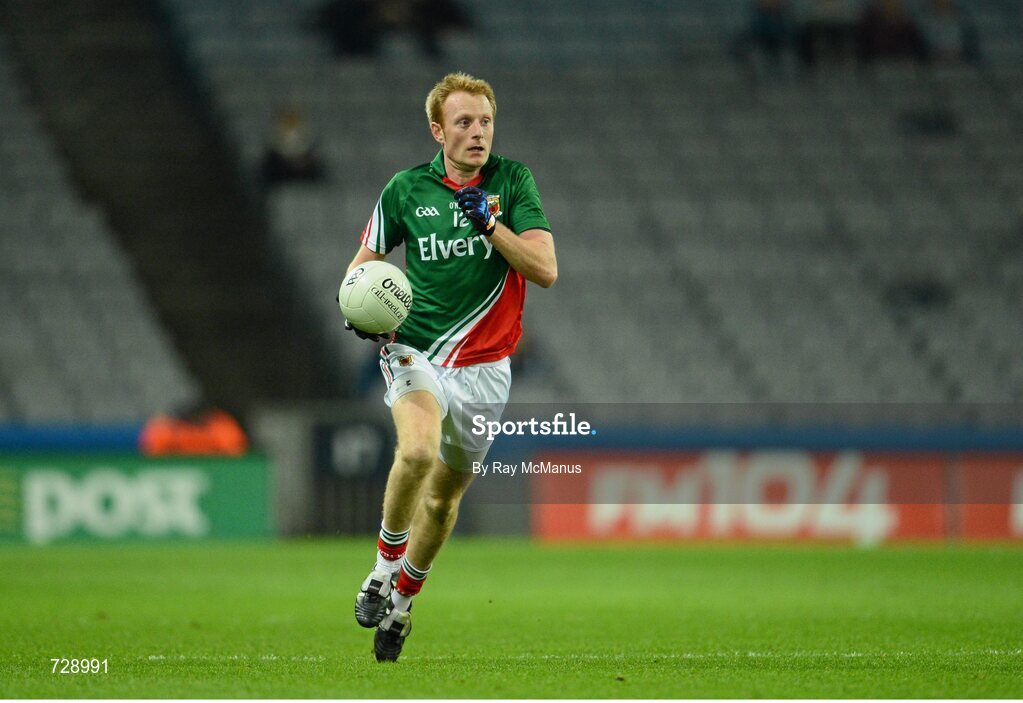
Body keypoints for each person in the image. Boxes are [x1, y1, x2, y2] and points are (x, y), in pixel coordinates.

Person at [341, 72, 556, 662]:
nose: (477, 132)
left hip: (487, 366)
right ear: (438, 130)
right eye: (464, 122)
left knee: (441, 500)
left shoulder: (512, 182)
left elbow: (545, 268)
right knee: (415, 452)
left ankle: (404, 604)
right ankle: (382, 571)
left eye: (485, 121)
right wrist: (360, 309)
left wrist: (490, 224)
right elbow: (362, 267)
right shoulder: (405, 190)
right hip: (415, 348)